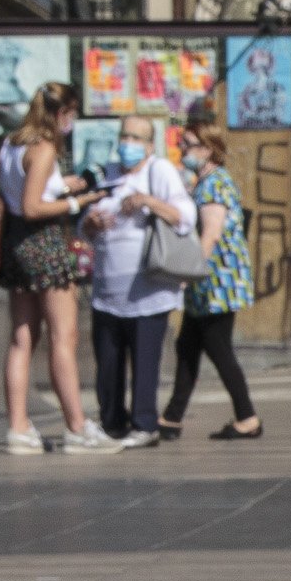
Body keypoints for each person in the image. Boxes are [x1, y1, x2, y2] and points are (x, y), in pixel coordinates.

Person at [0, 81, 100, 456]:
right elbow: (34, 206)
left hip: (15, 243)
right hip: (44, 243)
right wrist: (77, 203)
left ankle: (18, 428)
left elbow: (16, 192)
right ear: (61, 113)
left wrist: (62, 186)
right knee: (63, 337)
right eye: (71, 115)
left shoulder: (11, 143)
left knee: (22, 338)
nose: (71, 123)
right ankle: (77, 426)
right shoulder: (43, 148)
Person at [81, 120, 199, 449]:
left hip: (148, 286)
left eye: (135, 137)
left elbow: (185, 215)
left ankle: (145, 423)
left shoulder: (159, 170)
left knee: (145, 358)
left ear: (150, 145)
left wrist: (148, 200)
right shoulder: (109, 173)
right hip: (107, 287)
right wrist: (90, 223)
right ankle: (112, 422)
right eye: (124, 136)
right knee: (108, 360)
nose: (127, 143)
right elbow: (84, 224)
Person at [162, 124, 261, 441]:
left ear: (208, 149)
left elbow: (211, 233)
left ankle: (247, 417)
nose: (183, 150)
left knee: (218, 349)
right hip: (209, 281)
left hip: (216, 281)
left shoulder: (214, 184)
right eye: (182, 143)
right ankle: (172, 418)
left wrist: (189, 272)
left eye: (189, 145)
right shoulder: (205, 182)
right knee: (188, 345)